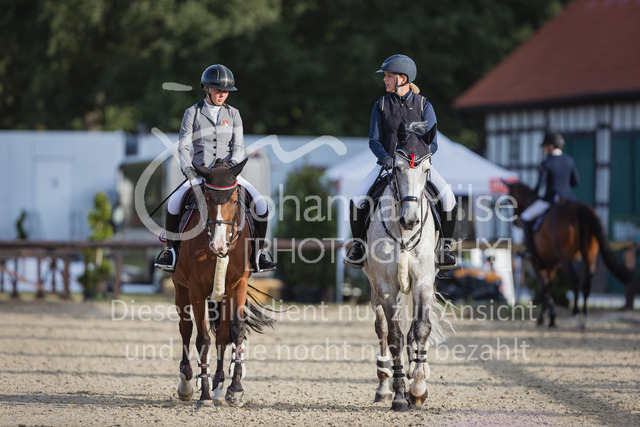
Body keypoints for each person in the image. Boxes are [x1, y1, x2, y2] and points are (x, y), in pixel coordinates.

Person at [154, 64, 276, 273]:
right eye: (218, 90)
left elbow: (238, 147)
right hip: (202, 173)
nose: (222, 94)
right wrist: (188, 169)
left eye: (226, 91)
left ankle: (259, 253)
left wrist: (230, 168)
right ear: (207, 88)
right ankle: (170, 251)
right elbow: (183, 146)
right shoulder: (192, 113)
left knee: (261, 205)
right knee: (174, 204)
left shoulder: (234, 114)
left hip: (227, 175)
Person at [344, 54, 458, 269]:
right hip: (388, 165)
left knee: (449, 198)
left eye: (388, 76)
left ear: (402, 78)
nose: (384, 80)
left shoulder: (424, 105)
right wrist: (385, 157)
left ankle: (444, 248)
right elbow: (374, 140)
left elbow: (432, 143)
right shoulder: (381, 105)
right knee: (357, 199)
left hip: (418, 167)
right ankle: (358, 247)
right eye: (385, 76)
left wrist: (420, 160)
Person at [520, 131, 580, 258]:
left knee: (525, 216)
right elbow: (575, 182)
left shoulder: (547, 162)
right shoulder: (569, 160)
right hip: (570, 199)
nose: (544, 149)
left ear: (551, 146)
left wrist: (532, 195)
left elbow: (540, 185)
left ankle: (530, 251)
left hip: (551, 198)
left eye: (544, 146)